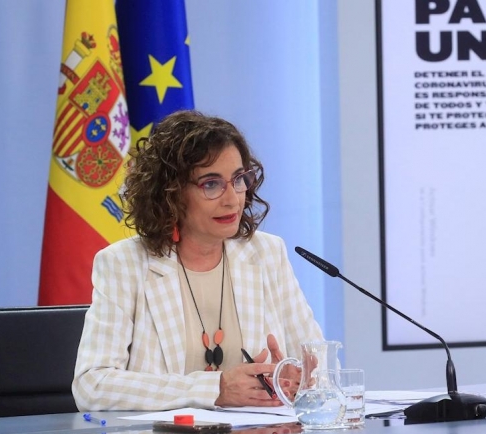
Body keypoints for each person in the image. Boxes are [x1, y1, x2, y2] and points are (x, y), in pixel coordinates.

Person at [72, 110, 323, 411]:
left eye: (239, 179)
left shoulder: (266, 255)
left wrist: (297, 381)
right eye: (211, 184)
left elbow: (318, 367)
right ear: (171, 193)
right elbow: (92, 385)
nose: (232, 199)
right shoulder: (125, 265)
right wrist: (213, 388)